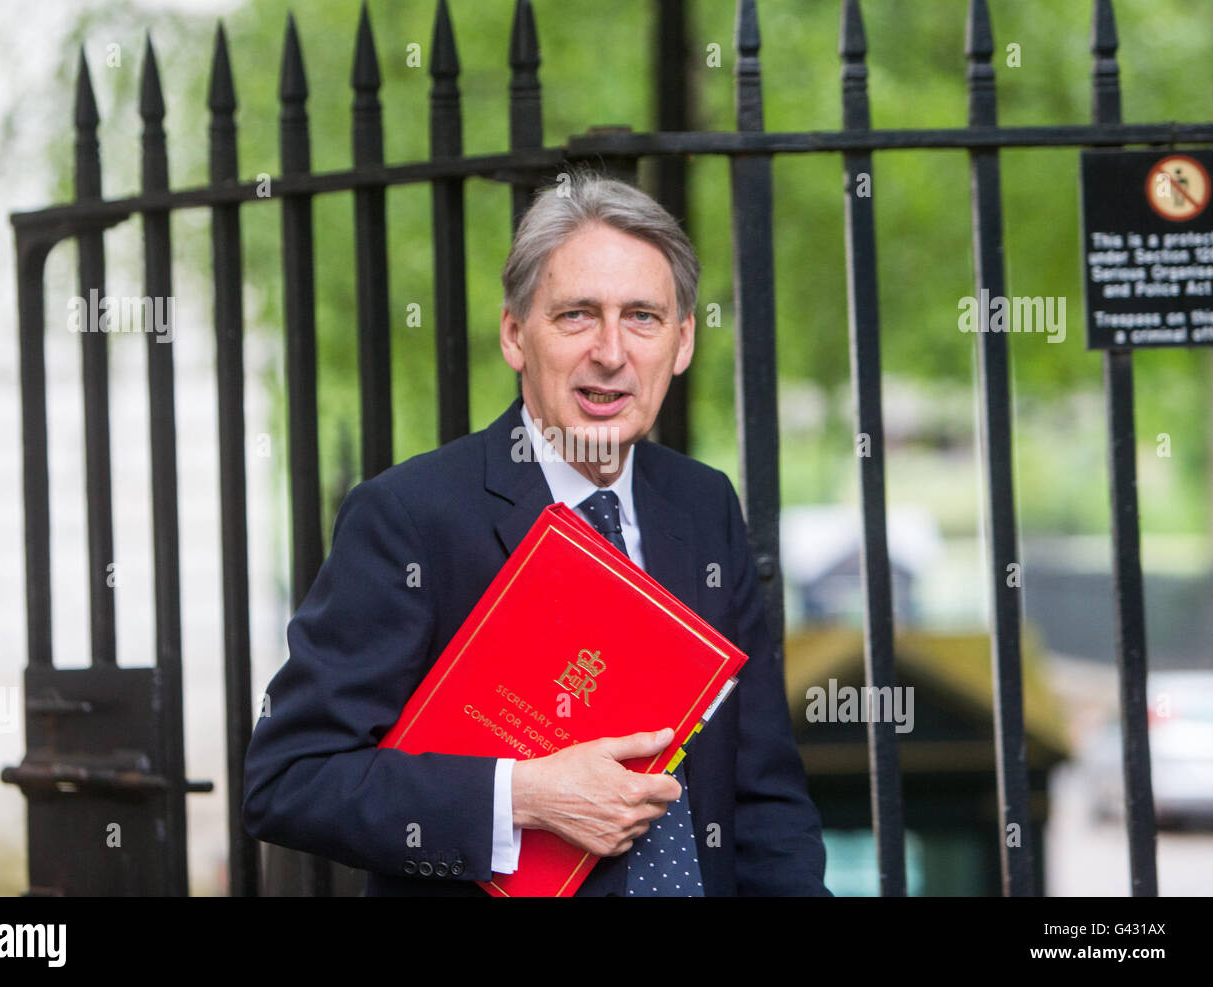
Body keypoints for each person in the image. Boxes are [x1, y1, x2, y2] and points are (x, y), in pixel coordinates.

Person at [242, 172, 830, 896]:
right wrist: (521, 796)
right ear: (516, 335)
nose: (612, 352)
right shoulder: (411, 518)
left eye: (642, 317)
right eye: (578, 315)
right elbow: (290, 777)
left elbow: (764, 795)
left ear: (681, 343)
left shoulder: (704, 505)